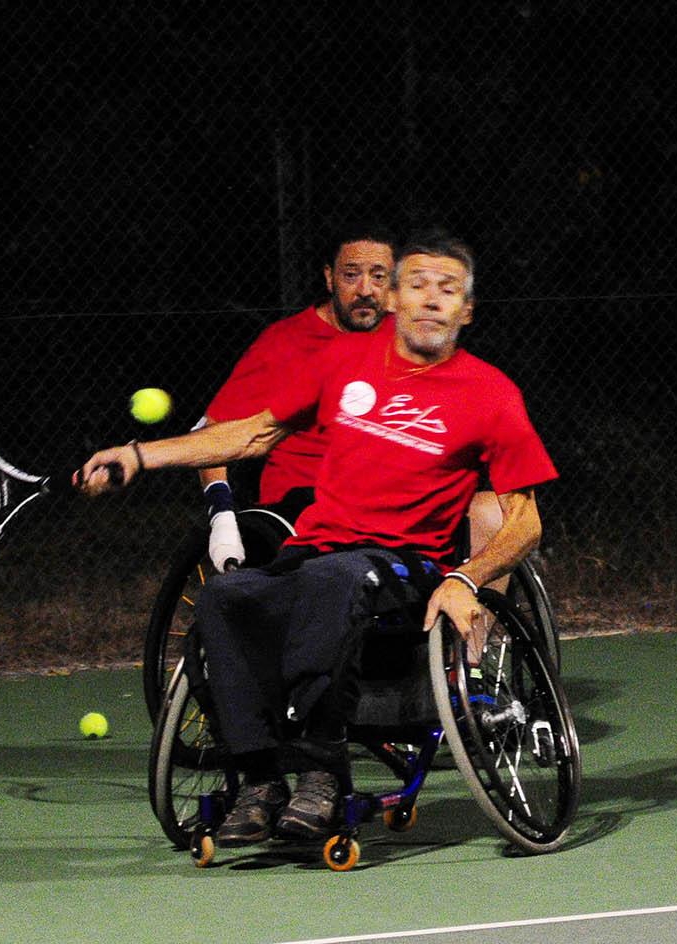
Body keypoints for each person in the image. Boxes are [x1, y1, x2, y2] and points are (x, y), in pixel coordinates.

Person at [80, 234, 556, 847]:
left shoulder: (491, 393)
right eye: (417, 285)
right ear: (391, 299)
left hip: (406, 565)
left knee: (335, 580)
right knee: (228, 598)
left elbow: (526, 520)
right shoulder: (344, 363)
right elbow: (251, 435)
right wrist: (139, 456)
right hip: (319, 551)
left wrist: (467, 577)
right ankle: (257, 778)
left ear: (467, 310)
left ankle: (321, 772)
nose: (432, 300)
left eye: (449, 289)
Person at [195, 228, 394, 571]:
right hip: (303, 509)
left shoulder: (407, 339)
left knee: (488, 513)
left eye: (378, 276)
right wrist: (222, 517)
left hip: (393, 501)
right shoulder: (285, 343)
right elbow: (212, 433)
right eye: (351, 275)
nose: (365, 290)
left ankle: (476, 625)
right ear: (329, 278)